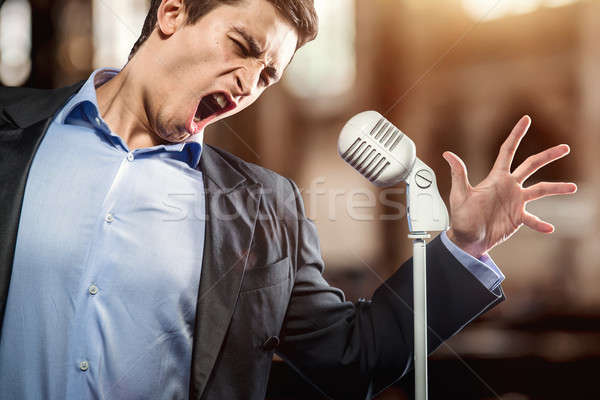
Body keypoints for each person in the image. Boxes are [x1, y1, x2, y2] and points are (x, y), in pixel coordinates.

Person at [0, 0, 577, 399]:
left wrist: (465, 246)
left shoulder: (266, 208)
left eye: (268, 74)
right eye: (242, 46)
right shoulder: (10, 136)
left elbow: (352, 360)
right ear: (172, 12)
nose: (248, 84)